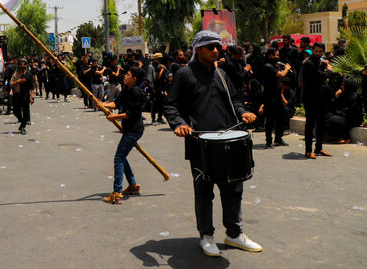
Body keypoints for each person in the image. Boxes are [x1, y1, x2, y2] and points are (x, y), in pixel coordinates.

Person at [164, 31, 262, 257]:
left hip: (229, 141)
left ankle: (234, 234)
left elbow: (236, 99)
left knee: (233, 189)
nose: (216, 50)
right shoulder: (185, 74)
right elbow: (171, 105)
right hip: (200, 144)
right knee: (204, 191)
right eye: (210, 47)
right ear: (198, 49)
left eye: (218, 46)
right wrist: (179, 123)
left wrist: (243, 111)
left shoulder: (221, 73)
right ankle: (206, 236)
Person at [98, 66, 146, 205]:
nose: (125, 76)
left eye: (128, 74)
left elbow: (131, 114)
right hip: (128, 129)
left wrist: (115, 117)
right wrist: (103, 104)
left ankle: (117, 193)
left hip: (134, 130)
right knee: (122, 156)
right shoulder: (126, 89)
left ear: (134, 79)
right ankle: (133, 185)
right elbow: (115, 103)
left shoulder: (137, 92)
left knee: (118, 158)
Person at [301, 42, 333, 159]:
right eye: (316, 51)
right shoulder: (309, 63)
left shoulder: (317, 62)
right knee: (310, 124)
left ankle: (318, 148)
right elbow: (321, 76)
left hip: (319, 97)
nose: (318, 53)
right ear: (312, 50)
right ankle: (308, 150)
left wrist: (323, 65)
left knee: (321, 123)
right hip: (310, 98)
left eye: (320, 51)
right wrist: (329, 70)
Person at [261, 48, 291, 148]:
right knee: (270, 119)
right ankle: (268, 141)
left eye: (278, 55)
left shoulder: (275, 65)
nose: (277, 57)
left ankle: (278, 139)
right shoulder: (268, 66)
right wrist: (286, 69)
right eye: (275, 55)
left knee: (281, 118)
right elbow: (281, 74)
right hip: (270, 97)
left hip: (277, 96)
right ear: (269, 55)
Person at [10, 58, 36, 135]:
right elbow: (11, 84)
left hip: (25, 95)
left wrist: (32, 97)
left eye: (24, 64)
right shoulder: (15, 75)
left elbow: (32, 87)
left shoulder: (28, 74)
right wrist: (18, 81)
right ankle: (22, 122)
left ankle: (23, 127)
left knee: (25, 111)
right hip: (17, 94)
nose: (22, 65)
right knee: (15, 111)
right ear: (18, 65)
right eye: (21, 64)